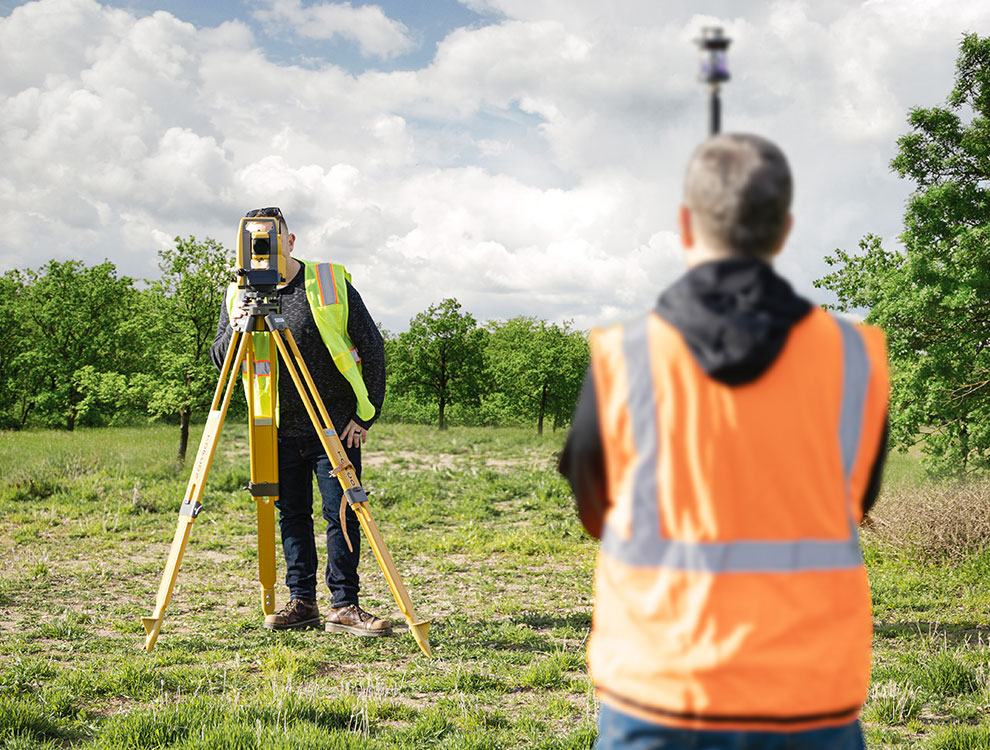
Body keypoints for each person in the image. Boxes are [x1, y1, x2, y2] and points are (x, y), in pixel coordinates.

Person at [558, 134, 889, 750]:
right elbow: (857, 501)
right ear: (784, 229)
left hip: (660, 684)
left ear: (685, 223)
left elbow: (594, 509)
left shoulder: (626, 356)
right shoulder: (855, 357)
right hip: (810, 690)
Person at [211, 206, 391, 637]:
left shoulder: (328, 283)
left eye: (271, 240)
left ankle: (345, 605)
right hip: (272, 427)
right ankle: (302, 602)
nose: (263, 251)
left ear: (290, 242)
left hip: (333, 425)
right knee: (292, 515)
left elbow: (372, 345)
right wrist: (236, 330)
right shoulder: (239, 294)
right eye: (254, 243)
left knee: (342, 513)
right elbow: (221, 359)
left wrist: (367, 415)